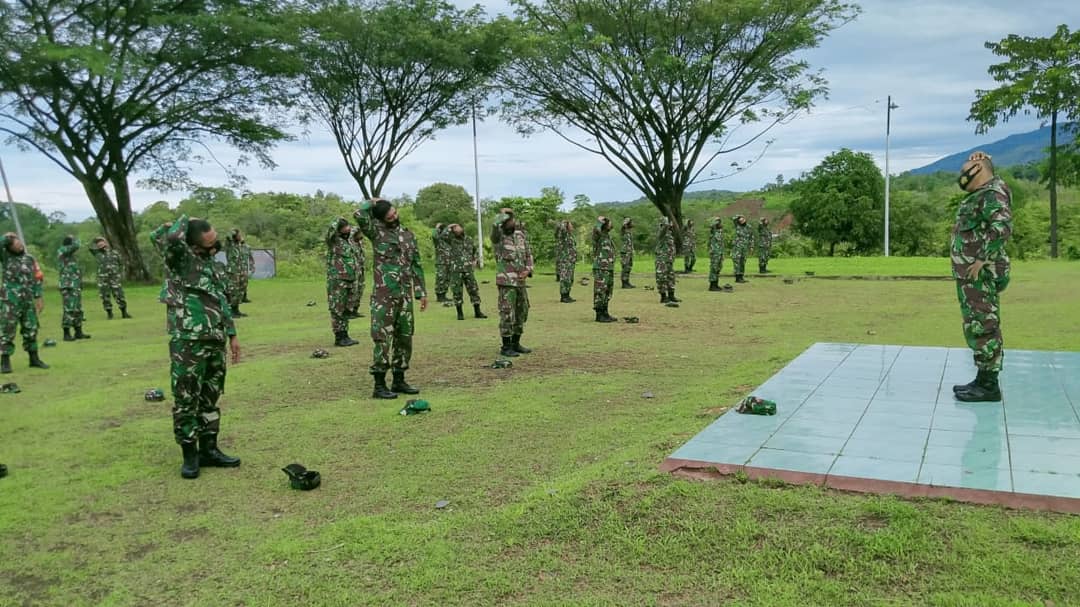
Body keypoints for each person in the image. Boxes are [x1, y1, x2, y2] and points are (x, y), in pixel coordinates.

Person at [160, 215, 242, 479]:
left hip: (214, 339)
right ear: (193, 246)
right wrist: (186, 219)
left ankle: (209, 449)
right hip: (188, 342)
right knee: (186, 398)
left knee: (210, 396)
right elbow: (170, 237)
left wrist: (232, 335)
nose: (214, 249)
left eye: (215, 243)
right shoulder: (179, 260)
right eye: (209, 245)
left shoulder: (212, 265)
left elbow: (221, 300)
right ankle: (190, 455)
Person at [950, 151, 1012, 403]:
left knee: (984, 324)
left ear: (980, 171)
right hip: (970, 275)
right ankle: (983, 379)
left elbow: (1002, 227)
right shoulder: (984, 193)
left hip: (980, 274)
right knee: (976, 324)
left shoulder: (992, 193)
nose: (962, 175)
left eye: (967, 170)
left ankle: (989, 387)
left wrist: (982, 258)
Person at [354, 198, 427, 399]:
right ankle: (379, 385)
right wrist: (370, 202)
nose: (394, 217)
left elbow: (416, 264)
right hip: (384, 296)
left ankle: (399, 380)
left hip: (405, 295)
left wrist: (421, 292)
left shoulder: (408, 235)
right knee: (382, 339)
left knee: (405, 337)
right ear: (381, 219)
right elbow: (359, 215)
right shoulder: (375, 232)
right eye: (389, 216)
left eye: (394, 213)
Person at [0, 233, 48, 373]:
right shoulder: (5, 257)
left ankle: (34, 359)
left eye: (19, 243)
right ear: (10, 248)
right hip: (10, 300)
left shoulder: (29, 259)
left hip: (27, 299)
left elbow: (37, 278)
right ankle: (5, 362)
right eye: (15, 244)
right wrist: (8, 237)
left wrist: (38, 297)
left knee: (31, 329)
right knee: (7, 330)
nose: (19, 245)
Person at [492, 209, 534, 357]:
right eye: (508, 220)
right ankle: (506, 346)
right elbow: (495, 227)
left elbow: (528, 254)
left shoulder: (520, 235)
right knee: (507, 313)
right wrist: (501, 214)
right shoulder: (499, 237)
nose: (512, 222)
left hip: (520, 281)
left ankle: (516, 343)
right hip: (507, 281)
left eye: (512, 220)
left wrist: (528, 269)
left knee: (522, 311)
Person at [326, 217, 361, 347]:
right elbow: (330, 230)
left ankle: (345, 335)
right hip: (337, 281)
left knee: (346, 309)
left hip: (350, 280)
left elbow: (359, 228)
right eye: (345, 227)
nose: (348, 228)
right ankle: (339, 336)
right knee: (337, 309)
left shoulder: (349, 241)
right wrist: (340, 221)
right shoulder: (333, 241)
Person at [443, 223, 487, 321]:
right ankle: (460, 313)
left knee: (474, 290)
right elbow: (443, 236)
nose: (457, 230)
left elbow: (474, 251)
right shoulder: (451, 240)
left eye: (458, 227)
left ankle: (477, 311)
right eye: (454, 229)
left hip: (468, 270)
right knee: (457, 291)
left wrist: (475, 260)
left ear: (462, 228)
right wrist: (449, 226)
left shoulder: (469, 240)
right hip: (456, 270)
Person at [58, 235, 90, 342]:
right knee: (69, 309)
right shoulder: (62, 250)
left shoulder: (71, 256)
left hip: (75, 284)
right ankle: (66, 333)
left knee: (77, 309)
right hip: (67, 285)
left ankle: (78, 332)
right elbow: (76, 245)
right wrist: (75, 238)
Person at [90, 237, 131, 319]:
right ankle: (109, 313)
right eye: (99, 245)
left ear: (106, 243)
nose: (101, 245)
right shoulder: (97, 254)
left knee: (119, 295)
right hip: (103, 279)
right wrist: (95, 240)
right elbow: (90, 247)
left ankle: (124, 312)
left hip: (114, 278)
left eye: (102, 243)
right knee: (105, 296)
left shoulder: (114, 253)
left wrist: (120, 273)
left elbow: (121, 263)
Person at [592, 216, 617, 322]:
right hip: (601, 267)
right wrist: (599, 222)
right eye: (609, 223)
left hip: (609, 267)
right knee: (600, 290)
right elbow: (596, 229)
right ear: (605, 225)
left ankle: (605, 312)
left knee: (608, 291)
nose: (611, 224)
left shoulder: (607, 236)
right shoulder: (599, 235)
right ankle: (599, 314)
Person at [654, 215, 679, 303]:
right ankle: (663, 297)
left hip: (669, 259)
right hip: (662, 259)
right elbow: (664, 228)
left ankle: (671, 295)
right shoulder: (661, 232)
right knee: (662, 277)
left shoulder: (669, 234)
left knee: (671, 277)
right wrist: (666, 223)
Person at [224, 229, 249, 317]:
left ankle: (236, 310)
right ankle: (231, 310)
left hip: (240, 271)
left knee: (240, 291)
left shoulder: (240, 245)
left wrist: (242, 241)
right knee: (233, 291)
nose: (240, 236)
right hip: (233, 271)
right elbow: (229, 234)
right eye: (239, 235)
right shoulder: (230, 244)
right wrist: (234, 233)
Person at [554, 219, 577, 303]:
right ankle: (563, 296)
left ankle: (567, 294)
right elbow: (560, 227)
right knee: (565, 278)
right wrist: (564, 223)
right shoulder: (563, 235)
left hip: (570, 260)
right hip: (565, 260)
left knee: (570, 278)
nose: (572, 226)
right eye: (570, 225)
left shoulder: (570, 236)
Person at [347, 227, 366, 318]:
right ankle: (349, 311)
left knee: (360, 289)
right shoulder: (350, 243)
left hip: (361, 269)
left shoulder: (359, 243)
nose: (361, 236)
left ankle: (355, 309)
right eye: (359, 234)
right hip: (354, 270)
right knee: (353, 290)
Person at [432, 223, 450, 303]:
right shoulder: (438, 241)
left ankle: (444, 295)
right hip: (441, 263)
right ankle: (439, 296)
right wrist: (437, 227)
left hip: (449, 263)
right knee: (441, 278)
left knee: (447, 279)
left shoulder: (449, 242)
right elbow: (434, 236)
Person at [732, 215, 752, 283]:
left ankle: (741, 276)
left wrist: (751, 247)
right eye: (740, 220)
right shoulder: (737, 226)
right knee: (737, 262)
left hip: (745, 247)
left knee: (743, 262)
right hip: (737, 247)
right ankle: (737, 277)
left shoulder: (749, 227)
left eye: (743, 219)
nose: (742, 221)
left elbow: (751, 238)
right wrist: (739, 217)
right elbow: (733, 218)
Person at [708, 217, 726, 292]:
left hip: (720, 252)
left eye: (720, 222)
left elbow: (721, 243)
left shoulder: (720, 231)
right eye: (718, 222)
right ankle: (712, 285)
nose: (719, 223)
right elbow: (712, 225)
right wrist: (716, 220)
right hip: (714, 252)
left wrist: (723, 254)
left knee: (718, 268)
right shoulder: (713, 231)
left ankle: (716, 284)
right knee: (714, 268)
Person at [620, 217, 636, 288]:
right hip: (625, 252)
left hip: (629, 252)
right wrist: (626, 221)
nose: (632, 223)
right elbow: (623, 226)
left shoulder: (629, 231)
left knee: (629, 267)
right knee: (625, 267)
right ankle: (624, 283)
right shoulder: (624, 230)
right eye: (631, 222)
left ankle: (627, 282)